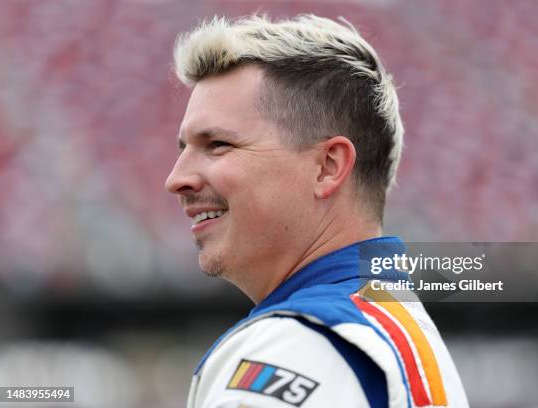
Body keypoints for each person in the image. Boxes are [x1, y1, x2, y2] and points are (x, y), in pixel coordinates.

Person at [165, 14, 468, 408]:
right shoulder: (392, 326)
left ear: (328, 167)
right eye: (183, 148)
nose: (176, 179)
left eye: (218, 144)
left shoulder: (291, 347)